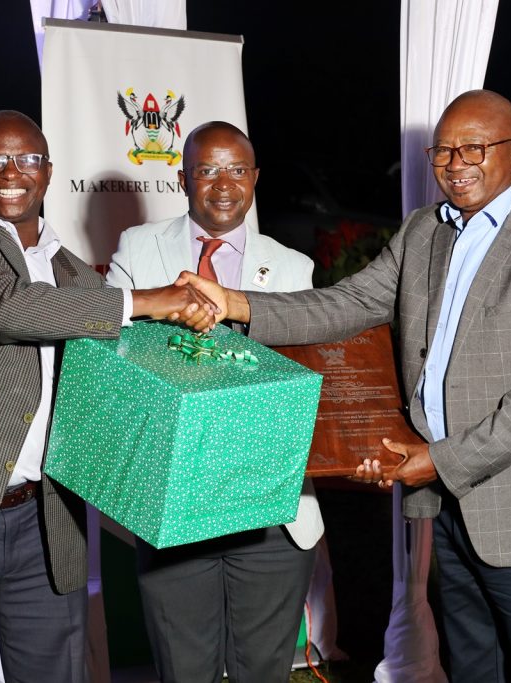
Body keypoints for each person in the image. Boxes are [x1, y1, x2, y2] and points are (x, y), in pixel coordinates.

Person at [176, 90, 511, 682]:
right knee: (473, 663)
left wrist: (441, 458)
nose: (457, 165)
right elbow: (349, 303)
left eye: (474, 148)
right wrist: (238, 304)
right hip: (451, 511)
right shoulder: (424, 231)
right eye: (444, 151)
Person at [0, 109, 213, 683]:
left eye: (27, 159)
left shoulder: (75, 273)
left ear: (49, 172)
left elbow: (119, 369)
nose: (11, 172)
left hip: (45, 523)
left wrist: (191, 333)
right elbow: (5, 307)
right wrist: (149, 300)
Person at [105, 120, 341, 683]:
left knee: (261, 671)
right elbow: (108, 349)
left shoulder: (291, 267)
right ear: (184, 178)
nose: (223, 184)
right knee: (185, 671)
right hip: (174, 505)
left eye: (237, 169)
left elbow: (306, 380)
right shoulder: (138, 249)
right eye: (208, 170)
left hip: (269, 513)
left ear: (255, 177)